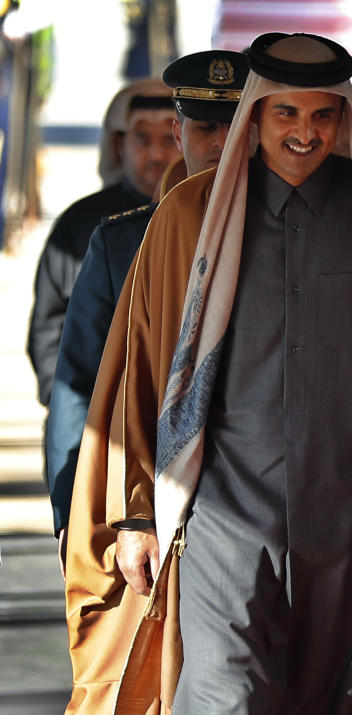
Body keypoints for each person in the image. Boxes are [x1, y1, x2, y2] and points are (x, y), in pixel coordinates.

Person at [63, 32, 352, 713]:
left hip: (351, 523)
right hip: (223, 522)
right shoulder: (189, 214)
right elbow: (145, 369)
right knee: (224, 698)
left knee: (343, 700)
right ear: (256, 115)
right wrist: (135, 511)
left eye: (321, 115)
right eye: (286, 114)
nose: (304, 133)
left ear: (342, 121)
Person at [45, 50, 248, 576]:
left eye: (235, 125)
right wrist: (74, 505)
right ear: (179, 135)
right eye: (205, 127)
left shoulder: (296, 237)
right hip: (151, 506)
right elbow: (80, 386)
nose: (222, 143)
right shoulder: (120, 244)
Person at [27, 78, 178, 407]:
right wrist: (66, 407)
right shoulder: (81, 223)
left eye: (168, 139)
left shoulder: (206, 216)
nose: (156, 154)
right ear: (119, 145)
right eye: (142, 140)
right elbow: (49, 325)